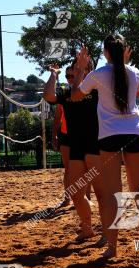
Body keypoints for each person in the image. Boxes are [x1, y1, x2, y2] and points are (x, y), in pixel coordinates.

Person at [69, 34, 139, 259]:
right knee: (138, 189)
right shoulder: (134, 72)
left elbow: (76, 95)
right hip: (133, 133)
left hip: (109, 136)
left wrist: (80, 68)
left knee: (112, 194)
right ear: (123, 52)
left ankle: (112, 248)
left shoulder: (97, 74)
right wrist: (126, 65)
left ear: (106, 53)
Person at [44, 56, 102, 241]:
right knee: (75, 193)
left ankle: (108, 234)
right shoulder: (68, 94)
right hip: (76, 147)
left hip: (95, 146)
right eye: (71, 73)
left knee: (101, 194)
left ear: (88, 70)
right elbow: (48, 96)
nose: (72, 75)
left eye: (77, 69)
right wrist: (54, 75)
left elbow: (80, 90)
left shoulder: (97, 90)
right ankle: (87, 228)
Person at [52, 94, 71, 207]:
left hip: (83, 135)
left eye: (70, 75)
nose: (69, 77)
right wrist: (54, 135)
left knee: (84, 168)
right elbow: (58, 116)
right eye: (67, 76)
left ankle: (86, 198)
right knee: (68, 168)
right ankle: (67, 198)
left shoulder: (87, 91)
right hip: (65, 135)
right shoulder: (64, 95)